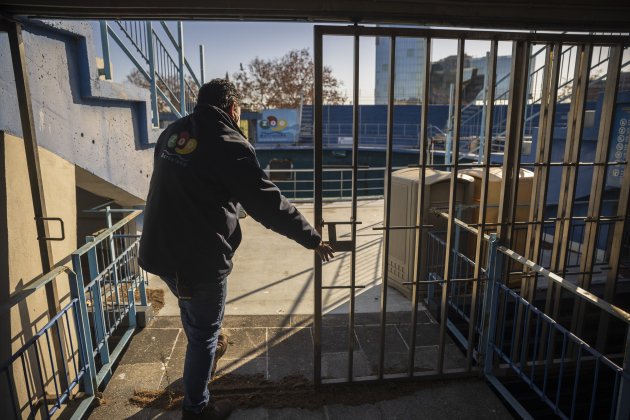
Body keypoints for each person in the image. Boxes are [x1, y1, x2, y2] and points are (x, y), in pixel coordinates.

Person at [139, 78, 334, 420]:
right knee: (203, 334)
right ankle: (196, 408)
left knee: (196, 317)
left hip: (158, 250)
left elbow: (188, 183)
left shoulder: (174, 131)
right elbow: (268, 203)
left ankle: (205, 351)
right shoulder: (230, 143)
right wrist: (312, 238)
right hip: (198, 259)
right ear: (232, 108)